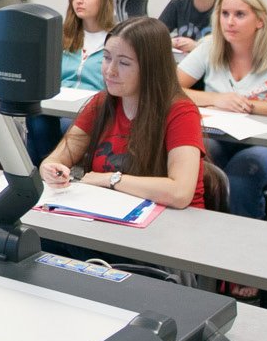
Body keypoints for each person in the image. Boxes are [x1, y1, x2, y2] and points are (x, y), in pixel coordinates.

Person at [39, 17, 206, 210]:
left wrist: (111, 179)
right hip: (112, 214)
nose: (110, 71)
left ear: (151, 68)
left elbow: (180, 193)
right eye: (107, 58)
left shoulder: (181, 113)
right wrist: (49, 169)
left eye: (124, 63)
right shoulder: (101, 103)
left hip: (170, 224)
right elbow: (57, 158)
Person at [178, 0, 267, 220]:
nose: (230, 22)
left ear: (260, 20)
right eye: (225, 14)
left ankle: (244, 247)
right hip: (221, 137)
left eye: (240, 15)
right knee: (195, 160)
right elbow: (170, 88)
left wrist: (249, 105)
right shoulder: (210, 46)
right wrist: (216, 99)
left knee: (241, 175)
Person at [26, 0, 117, 163]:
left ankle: (49, 169)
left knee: (68, 126)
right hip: (57, 105)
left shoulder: (116, 40)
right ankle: (45, 171)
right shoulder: (62, 36)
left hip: (94, 110)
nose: (79, 1)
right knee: (36, 118)